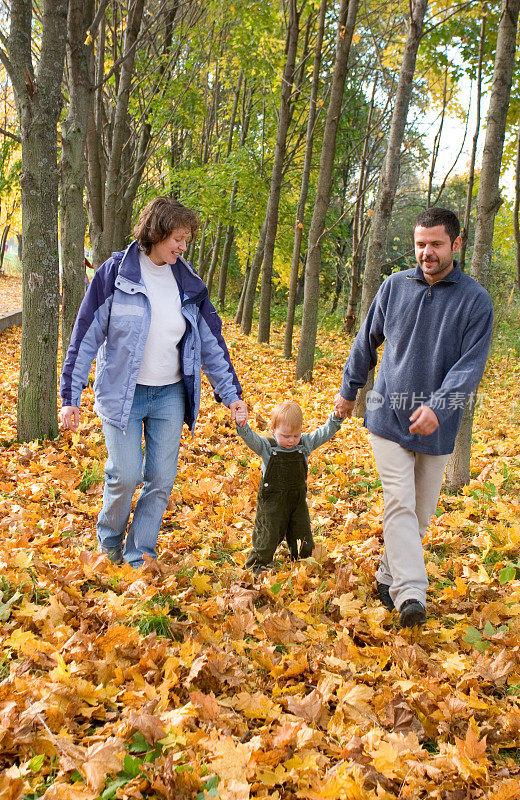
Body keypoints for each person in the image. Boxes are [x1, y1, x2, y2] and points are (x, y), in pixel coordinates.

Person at [59, 196, 247, 568]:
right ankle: (108, 546)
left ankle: (139, 553)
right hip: (121, 395)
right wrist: (70, 394)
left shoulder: (190, 284)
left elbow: (211, 344)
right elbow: (85, 335)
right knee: (125, 475)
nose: (182, 246)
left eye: (186, 240)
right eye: (177, 237)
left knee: (160, 480)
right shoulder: (116, 274)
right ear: (156, 232)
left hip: (169, 395)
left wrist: (232, 396)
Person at [334, 207, 494, 628]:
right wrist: (349, 391)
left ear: (456, 245)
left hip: (439, 427)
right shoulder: (394, 287)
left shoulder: (476, 301)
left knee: (419, 515)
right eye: (420, 244)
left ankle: (388, 575)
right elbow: (366, 341)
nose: (426, 252)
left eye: (436, 244)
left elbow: (469, 368)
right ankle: (411, 594)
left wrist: (439, 407)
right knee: (399, 503)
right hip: (387, 415)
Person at [235, 400, 344, 574]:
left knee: (302, 532)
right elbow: (251, 439)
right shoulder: (267, 447)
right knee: (268, 533)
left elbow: (323, 434)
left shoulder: (304, 443)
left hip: (297, 500)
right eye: (285, 436)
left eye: (295, 435)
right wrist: (243, 427)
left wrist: (336, 419)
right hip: (272, 501)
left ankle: (302, 560)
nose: (291, 441)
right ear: (273, 429)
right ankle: (259, 565)